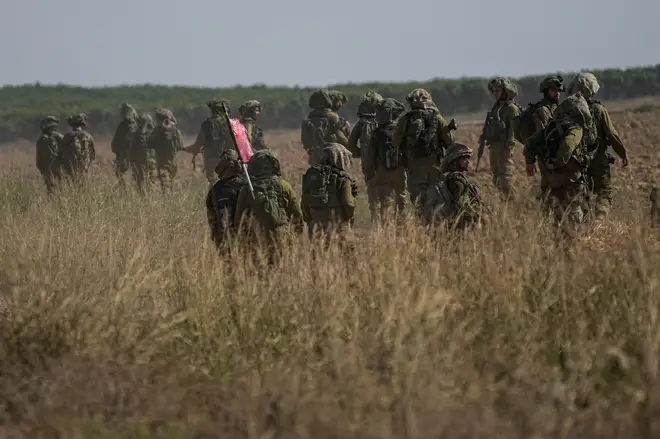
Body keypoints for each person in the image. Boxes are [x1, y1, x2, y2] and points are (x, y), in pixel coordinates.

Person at [524, 93, 594, 238]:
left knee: (558, 210)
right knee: (573, 209)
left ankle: (558, 241)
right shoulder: (576, 129)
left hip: (553, 179)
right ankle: (571, 245)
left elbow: (530, 143)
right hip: (571, 178)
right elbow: (568, 145)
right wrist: (557, 163)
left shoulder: (552, 126)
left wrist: (530, 162)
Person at [566, 72, 629, 218]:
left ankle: (584, 226)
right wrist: (622, 153)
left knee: (583, 193)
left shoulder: (568, 110)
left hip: (577, 159)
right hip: (598, 158)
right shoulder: (598, 109)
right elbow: (611, 134)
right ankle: (599, 222)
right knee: (604, 192)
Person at [234, 150, 304, 259]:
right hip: (282, 236)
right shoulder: (284, 186)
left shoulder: (248, 190)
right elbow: (297, 214)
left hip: (257, 239)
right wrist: (294, 235)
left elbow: (239, 220)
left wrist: (244, 242)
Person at [393, 88, 455, 209]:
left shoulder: (405, 119)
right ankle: (436, 222)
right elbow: (450, 143)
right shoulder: (438, 118)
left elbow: (395, 142)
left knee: (418, 200)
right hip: (435, 165)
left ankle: (423, 223)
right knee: (438, 197)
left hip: (414, 166)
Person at [422, 142, 489, 231]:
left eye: (468, 158)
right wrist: (480, 217)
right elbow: (462, 205)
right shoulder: (458, 180)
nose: (468, 161)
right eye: (464, 158)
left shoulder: (444, 176)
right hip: (457, 226)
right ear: (454, 160)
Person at [301, 143, 357, 248]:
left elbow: (304, 202)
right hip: (338, 225)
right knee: (349, 256)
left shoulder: (312, 175)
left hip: (316, 226)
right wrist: (347, 219)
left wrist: (310, 221)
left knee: (318, 257)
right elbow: (348, 203)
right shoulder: (343, 178)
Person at [365, 97, 408, 224]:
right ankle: (402, 227)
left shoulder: (376, 133)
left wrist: (369, 174)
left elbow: (369, 157)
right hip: (399, 171)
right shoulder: (401, 130)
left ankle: (386, 228)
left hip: (381, 172)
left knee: (385, 202)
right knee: (401, 199)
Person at [478, 77, 521, 199]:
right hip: (495, 147)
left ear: (505, 91)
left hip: (504, 148)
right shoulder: (496, 108)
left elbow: (513, 132)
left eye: (498, 91)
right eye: (494, 91)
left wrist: (508, 149)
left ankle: (515, 202)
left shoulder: (511, 108)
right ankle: (506, 202)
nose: (495, 94)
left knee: (506, 179)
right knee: (497, 178)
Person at [347, 90, 384, 219]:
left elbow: (350, 145)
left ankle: (377, 223)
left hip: (369, 166)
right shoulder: (385, 121)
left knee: (373, 198)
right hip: (387, 165)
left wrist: (362, 154)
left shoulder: (361, 124)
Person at [206, 149, 248, 251]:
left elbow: (212, 219)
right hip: (246, 237)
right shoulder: (247, 185)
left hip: (224, 240)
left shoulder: (215, 190)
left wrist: (216, 237)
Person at [185, 99, 234, 185]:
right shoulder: (228, 124)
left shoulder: (206, 124)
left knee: (213, 183)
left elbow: (198, 144)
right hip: (226, 158)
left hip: (210, 159)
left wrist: (186, 149)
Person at [300, 88, 349, 166]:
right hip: (332, 155)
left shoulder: (309, 119)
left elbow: (305, 141)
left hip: (314, 156)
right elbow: (341, 138)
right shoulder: (332, 117)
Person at [151, 108, 184, 192]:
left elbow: (150, 143)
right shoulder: (175, 130)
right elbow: (180, 144)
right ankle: (171, 194)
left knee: (163, 182)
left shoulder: (157, 130)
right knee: (172, 179)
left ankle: (166, 196)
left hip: (160, 159)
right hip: (173, 159)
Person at [59, 113, 95, 185]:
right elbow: (93, 154)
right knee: (84, 183)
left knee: (75, 183)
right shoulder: (88, 136)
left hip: (72, 165)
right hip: (85, 164)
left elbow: (60, 151)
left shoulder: (68, 136)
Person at [128, 113, 157, 194]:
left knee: (140, 182)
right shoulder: (152, 133)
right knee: (149, 182)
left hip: (140, 161)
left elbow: (132, 149)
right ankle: (148, 196)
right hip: (150, 161)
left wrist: (131, 161)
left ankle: (144, 197)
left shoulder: (135, 134)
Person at [35, 116, 63, 196]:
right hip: (60, 169)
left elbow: (39, 160)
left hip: (47, 170)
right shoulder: (61, 137)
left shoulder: (41, 139)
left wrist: (42, 170)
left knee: (51, 191)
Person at [111, 103, 138, 184]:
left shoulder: (123, 125)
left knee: (119, 173)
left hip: (124, 154)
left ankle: (124, 189)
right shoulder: (136, 125)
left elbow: (116, 143)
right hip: (136, 155)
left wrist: (117, 151)